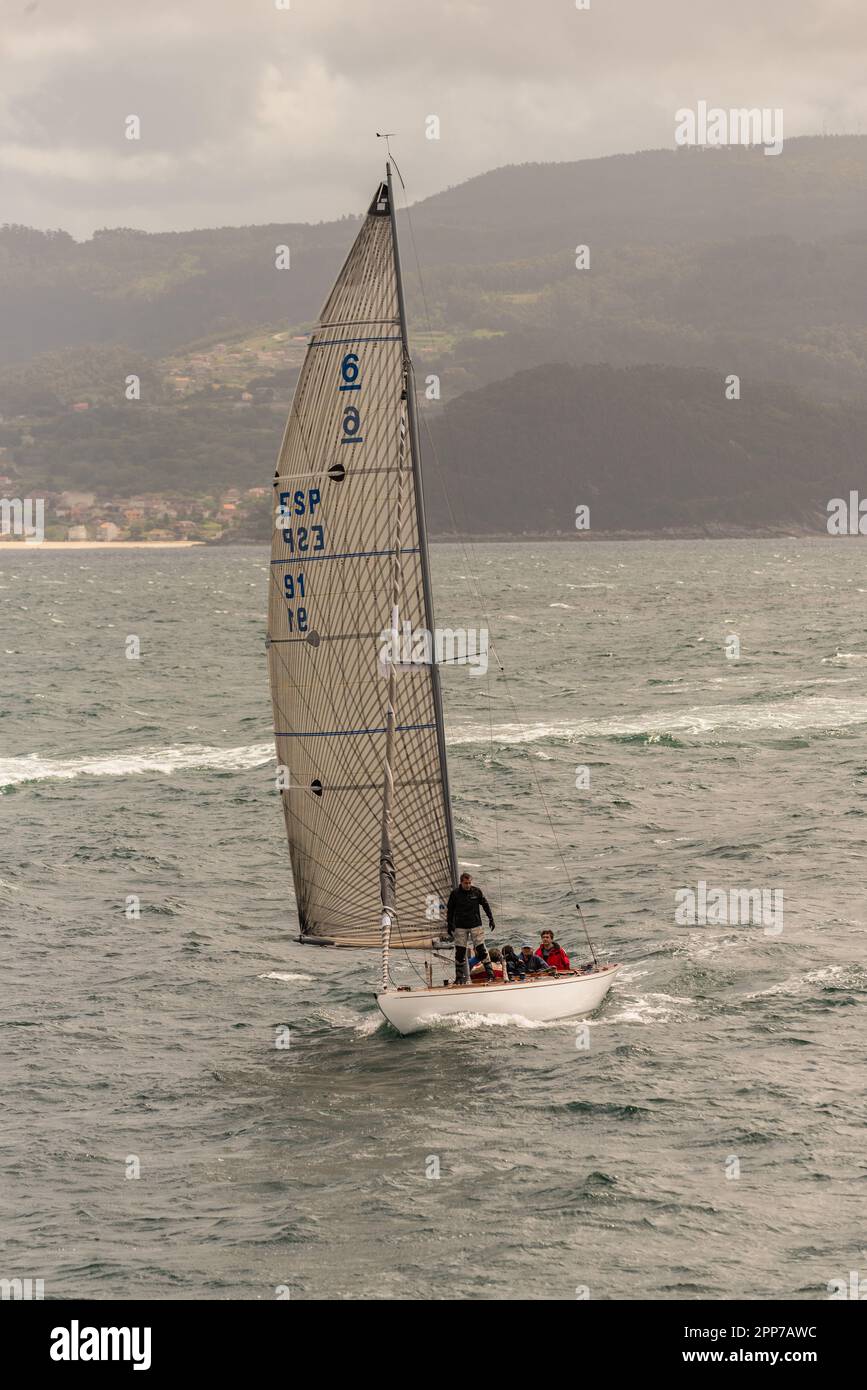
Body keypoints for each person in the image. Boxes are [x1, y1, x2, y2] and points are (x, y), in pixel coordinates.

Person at [447, 871, 495, 985]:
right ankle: (459, 977)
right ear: (461, 882)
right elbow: (450, 910)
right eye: (465, 883)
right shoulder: (455, 893)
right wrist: (449, 924)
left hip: (475, 925)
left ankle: (490, 974)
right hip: (460, 926)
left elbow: (485, 905)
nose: (468, 885)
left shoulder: (476, 891)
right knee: (460, 952)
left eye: (469, 883)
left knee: (481, 950)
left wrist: (491, 919)